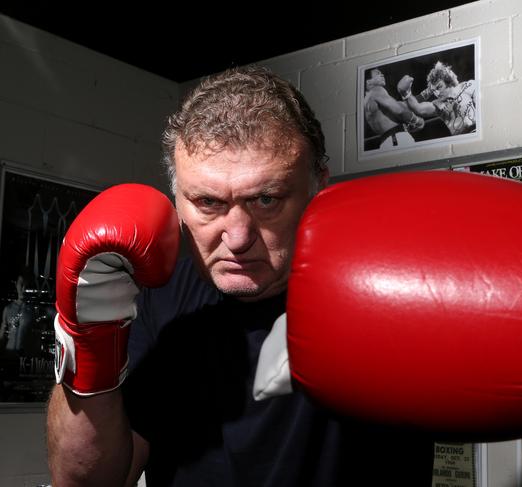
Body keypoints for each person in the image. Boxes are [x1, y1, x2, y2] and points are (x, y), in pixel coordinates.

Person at [47, 65, 435, 486]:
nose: (236, 237)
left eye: (266, 199)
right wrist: (86, 346)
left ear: (318, 187)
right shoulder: (158, 292)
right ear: (177, 197)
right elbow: (86, 481)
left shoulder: (387, 290)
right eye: (208, 202)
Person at [397, 61, 477, 136]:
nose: (437, 93)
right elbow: (418, 109)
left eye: (439, 87)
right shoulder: (438, 105)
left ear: (448, 80)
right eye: (433, 91)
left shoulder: (468, 86)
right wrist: (406, 93)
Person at [363, 68, 425, 150]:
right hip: (396, 139)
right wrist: (416, 120)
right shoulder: (377, 90)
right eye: (377, 73)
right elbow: (399, 110)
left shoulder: (367, 99)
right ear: (368, 81)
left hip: (387, 141)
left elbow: (403, 105)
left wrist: (428, 92)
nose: (382, 74)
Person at [0, 271, 35, 354]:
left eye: (26, 286)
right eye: (21, 284)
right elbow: (2, 335)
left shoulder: (32, 310)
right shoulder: (8, 309)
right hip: (8, 354)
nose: (23, 288)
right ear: (16, 285)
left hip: (24, 357)